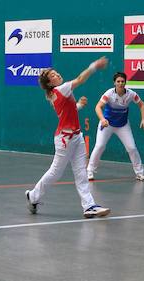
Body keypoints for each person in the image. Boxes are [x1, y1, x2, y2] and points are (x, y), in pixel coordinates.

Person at [26, 57, 111, 218]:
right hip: (65, 139)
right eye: (53, 75)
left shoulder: (56, 94)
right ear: (50, 83)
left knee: (81, 173)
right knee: (55, 173)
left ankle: (89, 206)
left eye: (56, 73)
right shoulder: (62, 89)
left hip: (76, 136)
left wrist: (78, 105)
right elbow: (80, 79)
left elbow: (66, 113)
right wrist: (94, 66)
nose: (57, 75)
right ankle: (33, 196)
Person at [87, 71, 144, 181]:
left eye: (122, 81)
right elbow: (98, 107)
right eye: (118, 81)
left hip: (122, 125)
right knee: (100, 146)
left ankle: (139, 173)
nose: (120, 83)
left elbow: (142, 104)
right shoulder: (109, 94)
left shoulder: (131, 94)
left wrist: (143, 119)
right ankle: (90, 171)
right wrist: (102, 119)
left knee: (132, 147)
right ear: (114, 83)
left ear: (125, 83)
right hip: (107, 124)